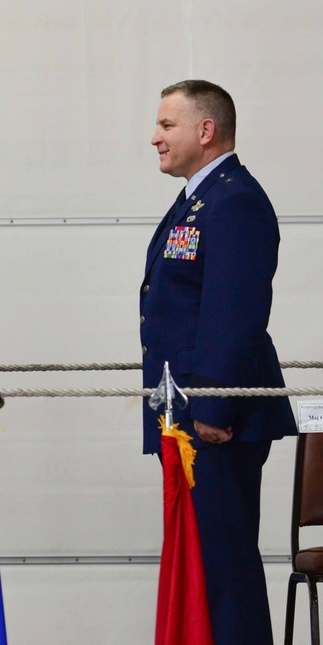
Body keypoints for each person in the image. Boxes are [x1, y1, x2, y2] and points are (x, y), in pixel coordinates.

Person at [141, 79, 297, 643]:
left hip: (215, 420)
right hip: (188, 417)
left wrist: (211, 404)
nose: (153, 137)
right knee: (202, 567)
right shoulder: (202, 198)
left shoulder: (235, 201)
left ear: (206, 131)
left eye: (166, 125)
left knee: (223, 568)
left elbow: (235, 310)